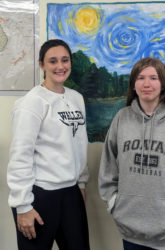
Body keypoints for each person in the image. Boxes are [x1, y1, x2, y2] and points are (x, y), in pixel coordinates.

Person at [98, 57, 165, 250]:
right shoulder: (121, 118)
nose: (146, 84)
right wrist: (114, 201)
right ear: (133, 85)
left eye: (153, 78)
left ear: (163, 84)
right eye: (141, 78)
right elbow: (108, 164)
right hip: (130, 228)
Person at [7, 39, 90, 250]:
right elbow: (20, 155)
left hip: (70, 194)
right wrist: (22, 205)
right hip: (39, 195)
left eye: (65, 60)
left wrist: (81, 183)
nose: (60, 66)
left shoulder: (77, 99)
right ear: (42, 65)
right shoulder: (32, 103)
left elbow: (79, 145)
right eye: (52, 61)